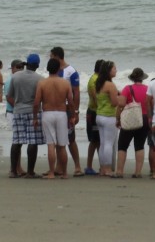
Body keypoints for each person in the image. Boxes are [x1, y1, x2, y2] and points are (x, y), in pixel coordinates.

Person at [33, 58, 74, 179]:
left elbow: (36, 102)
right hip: (61, 114)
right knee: (62, 145)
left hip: (48, 113)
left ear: (47, 69)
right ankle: (65, 173)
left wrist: (35, 117)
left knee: (51, 144)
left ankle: (51, 172)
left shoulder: (42, 83)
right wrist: (72, 115)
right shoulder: (65, 83)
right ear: (59, 69)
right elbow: (70, 102)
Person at [6, 53, 45, 177]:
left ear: (27, 63)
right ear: (37, 65)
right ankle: (30, 172)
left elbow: (9, 95)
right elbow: (40, 99)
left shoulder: (15, 76)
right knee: (32, 141)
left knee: (17, 141)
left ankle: (13, 170)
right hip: (34, 112)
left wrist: (17, 105)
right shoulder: (40, 79)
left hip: (18, 111)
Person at [49, 47, 82, 176]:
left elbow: (76, 93)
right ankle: (58, 167)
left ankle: (77, 166)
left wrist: (76, 111)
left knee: (71, 138)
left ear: (57, 56)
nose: (50, 58)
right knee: (57, 138)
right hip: (57, 108)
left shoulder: (71, 72)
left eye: (51, 56)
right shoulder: (54, 71)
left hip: (68, 109)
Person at [115, 67, 151, 178]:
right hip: (144, 119)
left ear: (133, 78)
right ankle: (138, 172)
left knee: (122, 146)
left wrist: (118, 119)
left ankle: (120, 171)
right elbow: (152, 105)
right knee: (139, 145)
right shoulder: (148, 89)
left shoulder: (127, 88)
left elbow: (121, 104)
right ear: (142, 78)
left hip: (130, 119)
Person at [93, 60, 121, 177]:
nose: (116, 70)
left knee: (103, 143)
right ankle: (108, 169)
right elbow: (114, 103)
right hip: (109, 116)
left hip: (99, 115)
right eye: (114, 68)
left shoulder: (98, 83)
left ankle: (103, 168)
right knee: (109, 143)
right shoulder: (110, 85)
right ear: (109, 71)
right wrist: (121, 98)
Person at [83, 59, 103, 176]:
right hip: (94, 112)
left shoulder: (97, 79)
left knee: (99, 141)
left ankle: (101, 166)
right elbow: (96, 99)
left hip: (96, 111)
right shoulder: (95, 80)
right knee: (95, 140)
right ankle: (89, 166)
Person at [4, 59, 24, 126]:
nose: (21, 69)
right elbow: (8, 98)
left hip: (18, 111)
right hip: (12, 112)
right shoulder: (10, 80)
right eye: (18, 67)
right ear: (12, 69)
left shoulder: (21, 79)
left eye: (22, 67)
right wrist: (19, 109)